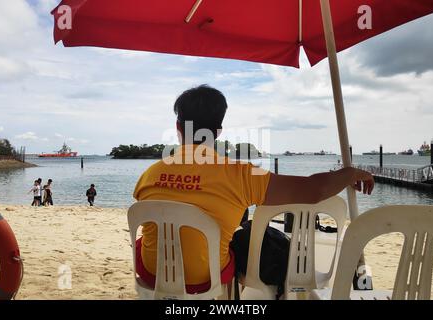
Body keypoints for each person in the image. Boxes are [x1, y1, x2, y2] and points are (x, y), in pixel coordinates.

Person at [133, 85, 374, 288]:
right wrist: (349, 173)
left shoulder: (148, 174)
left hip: (151, 274)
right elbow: (314, 190)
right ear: (217, 132)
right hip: (207, 277)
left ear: (178, 126)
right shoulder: (241, 174)